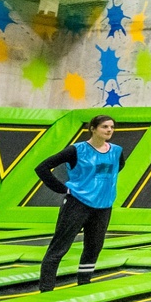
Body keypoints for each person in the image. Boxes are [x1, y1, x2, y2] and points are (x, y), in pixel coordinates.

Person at [34, 114, 126, 292]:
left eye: (112, 127)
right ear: (93, 129)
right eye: (104, 127)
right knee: (60, 247)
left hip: (103, 206)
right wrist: (62, 189)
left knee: (94, 247)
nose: (109, 130)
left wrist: (101, 186)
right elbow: (42, 168)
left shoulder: (116, 151)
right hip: (77, 204)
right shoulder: (76, 150)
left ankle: (84, 282)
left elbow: (118, 167)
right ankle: (46, 288)